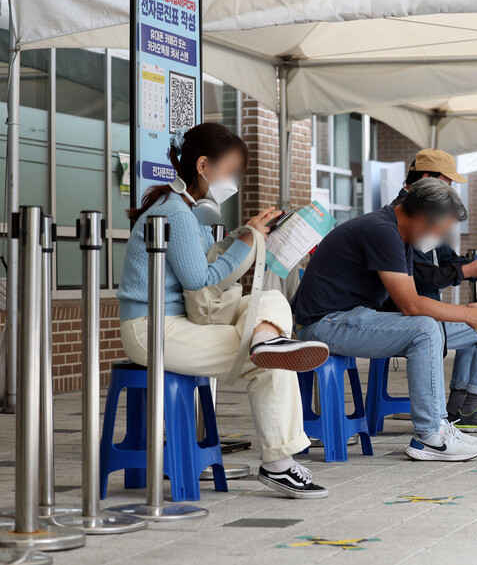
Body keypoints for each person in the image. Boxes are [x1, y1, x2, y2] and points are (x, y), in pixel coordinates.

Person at [118, 122, 331, 500]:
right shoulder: (177, 213)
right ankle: (279, 463)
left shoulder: (190, 209)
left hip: (178, 321)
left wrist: (244, 236)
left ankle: (268, 340)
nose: (233, 180)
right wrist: (248, 238)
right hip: (151, 328)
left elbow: (206, 273)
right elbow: (202, 281)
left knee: (267, 302)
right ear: (204, 166)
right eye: (230, 171)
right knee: (271, 359)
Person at [292, 178, 477, 461]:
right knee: (425, 329)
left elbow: (410, 301)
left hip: (350, 317)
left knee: (435, 327)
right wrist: (466, 313)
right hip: (323, 324)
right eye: (440, 231)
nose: (439, 239)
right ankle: (430, 435)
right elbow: (411, 304)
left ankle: (439, 425)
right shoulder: (381, 231)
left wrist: (468, 314)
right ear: (423, 218)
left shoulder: (398, 234)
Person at [387, 148, 477, 433]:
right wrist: (470, 271)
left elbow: (445, 260)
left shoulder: (423, 210)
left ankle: (460, 407)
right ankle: (466, 408)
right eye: (447, 182)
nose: (451, 190)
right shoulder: (404, 216)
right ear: (425, 178)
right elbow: (422, 277)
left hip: (423, 312)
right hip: (408, 316)